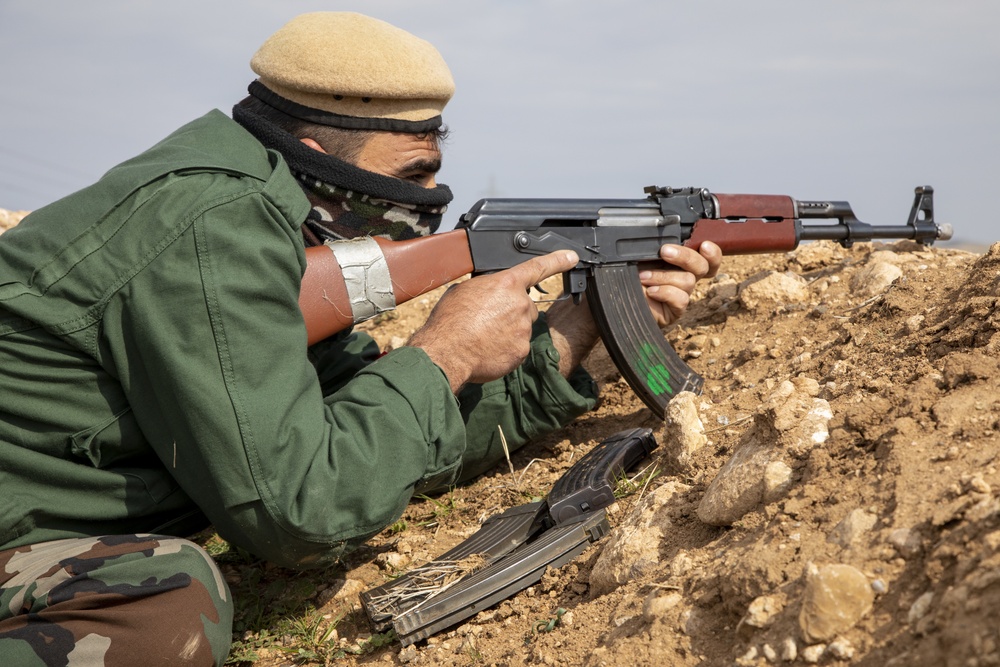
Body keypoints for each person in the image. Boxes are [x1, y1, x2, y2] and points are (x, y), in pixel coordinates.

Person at [0, 12, 721, 666]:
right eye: (412, 176)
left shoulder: (259, 213)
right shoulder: (210, 228)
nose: (426, 205)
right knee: (165, 603)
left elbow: (365, 435)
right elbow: (299, 511)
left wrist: (573, 333)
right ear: (321, 157)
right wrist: (442, 353)